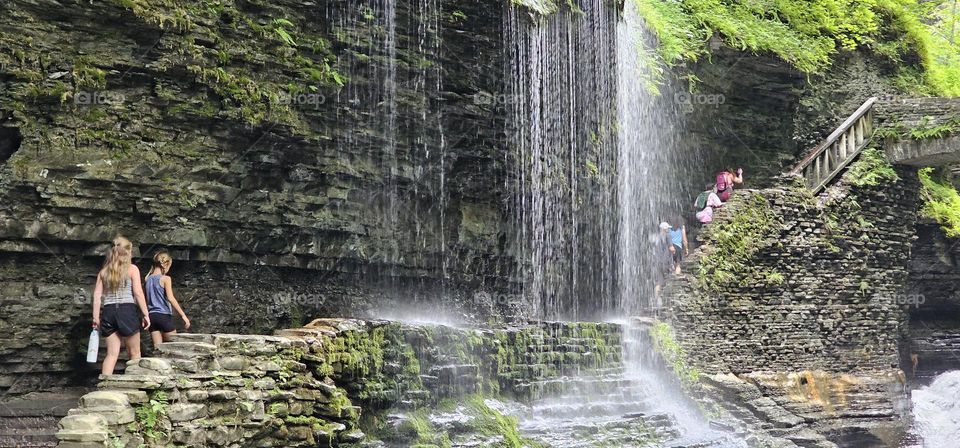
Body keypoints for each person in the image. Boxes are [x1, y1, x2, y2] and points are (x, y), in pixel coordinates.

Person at [92, 236, 150, 375]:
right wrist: (146, 314)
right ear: (127, 252)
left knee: (111, 354)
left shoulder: (103, 272)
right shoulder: (132, 269)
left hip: (108, 312)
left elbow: (97, 296)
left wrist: (96, 318)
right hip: (126, 310)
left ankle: (104, 385)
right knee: (134, 353)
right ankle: (136, 383)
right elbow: (138, 293)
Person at [145, 250, 191, 348]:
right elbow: (171, 298)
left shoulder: (147, 279)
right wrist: (183, 316)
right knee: (174, 347)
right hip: (163, 316)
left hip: (151, 316)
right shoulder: (165, 279)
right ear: (165, 264)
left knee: (158, 349)